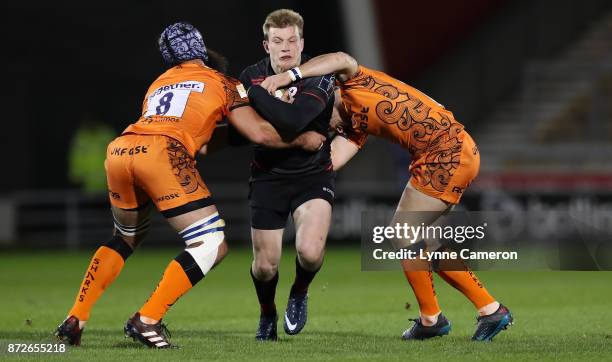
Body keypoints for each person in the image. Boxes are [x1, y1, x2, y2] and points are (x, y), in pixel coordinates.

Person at [55, 22, 325, 349]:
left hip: (121, 149)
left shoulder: (159, 82)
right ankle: (147, 319)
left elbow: (202, 134)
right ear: (202, 49)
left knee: (125, 237)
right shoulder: (223, 82)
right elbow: (260, 134)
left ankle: (76, 317)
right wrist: (305, 138)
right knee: (211, 242)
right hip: (161, 154)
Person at [260, 52, 513, 341]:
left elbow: (341, 58)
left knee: (403, 233)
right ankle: (488, 309)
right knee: (425, 242)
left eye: (314, 118)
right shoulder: (353, 127)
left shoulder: (353, 81)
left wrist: (289, 75)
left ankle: (434, 319)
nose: (324, 127)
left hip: (448, 151)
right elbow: (328, 164)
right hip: (446, 153)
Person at [237, 9, 336, 340]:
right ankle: (267, 312)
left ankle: (299, 292)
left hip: (313, 176)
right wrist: (299, 136)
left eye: (292, 40)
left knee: (310, 252)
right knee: (265, 267)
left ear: (302, 42)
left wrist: (257, 96)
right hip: (268, 177)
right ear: (266, 45)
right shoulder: (250, 74)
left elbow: (294, 119)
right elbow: (250, 133)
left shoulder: (317, 73)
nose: (286, 48)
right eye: (278, 41)